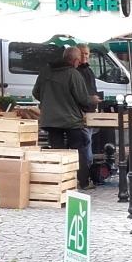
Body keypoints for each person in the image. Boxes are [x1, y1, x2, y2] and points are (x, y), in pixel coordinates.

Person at [32, 46, 93, 189]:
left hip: (50, 119)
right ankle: (83, 182)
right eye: (79, 61)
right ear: (76, 60)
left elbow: (36, 93)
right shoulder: (73, 74)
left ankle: (59, 182)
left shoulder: (46, 71)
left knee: (56, 151)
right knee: (78, 150)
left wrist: (49, 101)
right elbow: (83, 99)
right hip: (71, 120)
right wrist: (93, 100)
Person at [75, 45, 104, 185]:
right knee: (85, 145)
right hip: (81, 113)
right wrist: (90, 99)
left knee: (88, 143)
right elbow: (79, 94)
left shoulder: (88, 70)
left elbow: (91, 89)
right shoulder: (76, 71)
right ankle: (84, 178)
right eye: (82, 54)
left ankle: (87, 175)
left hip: (91, 112)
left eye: (87, 54)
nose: (85, 56)